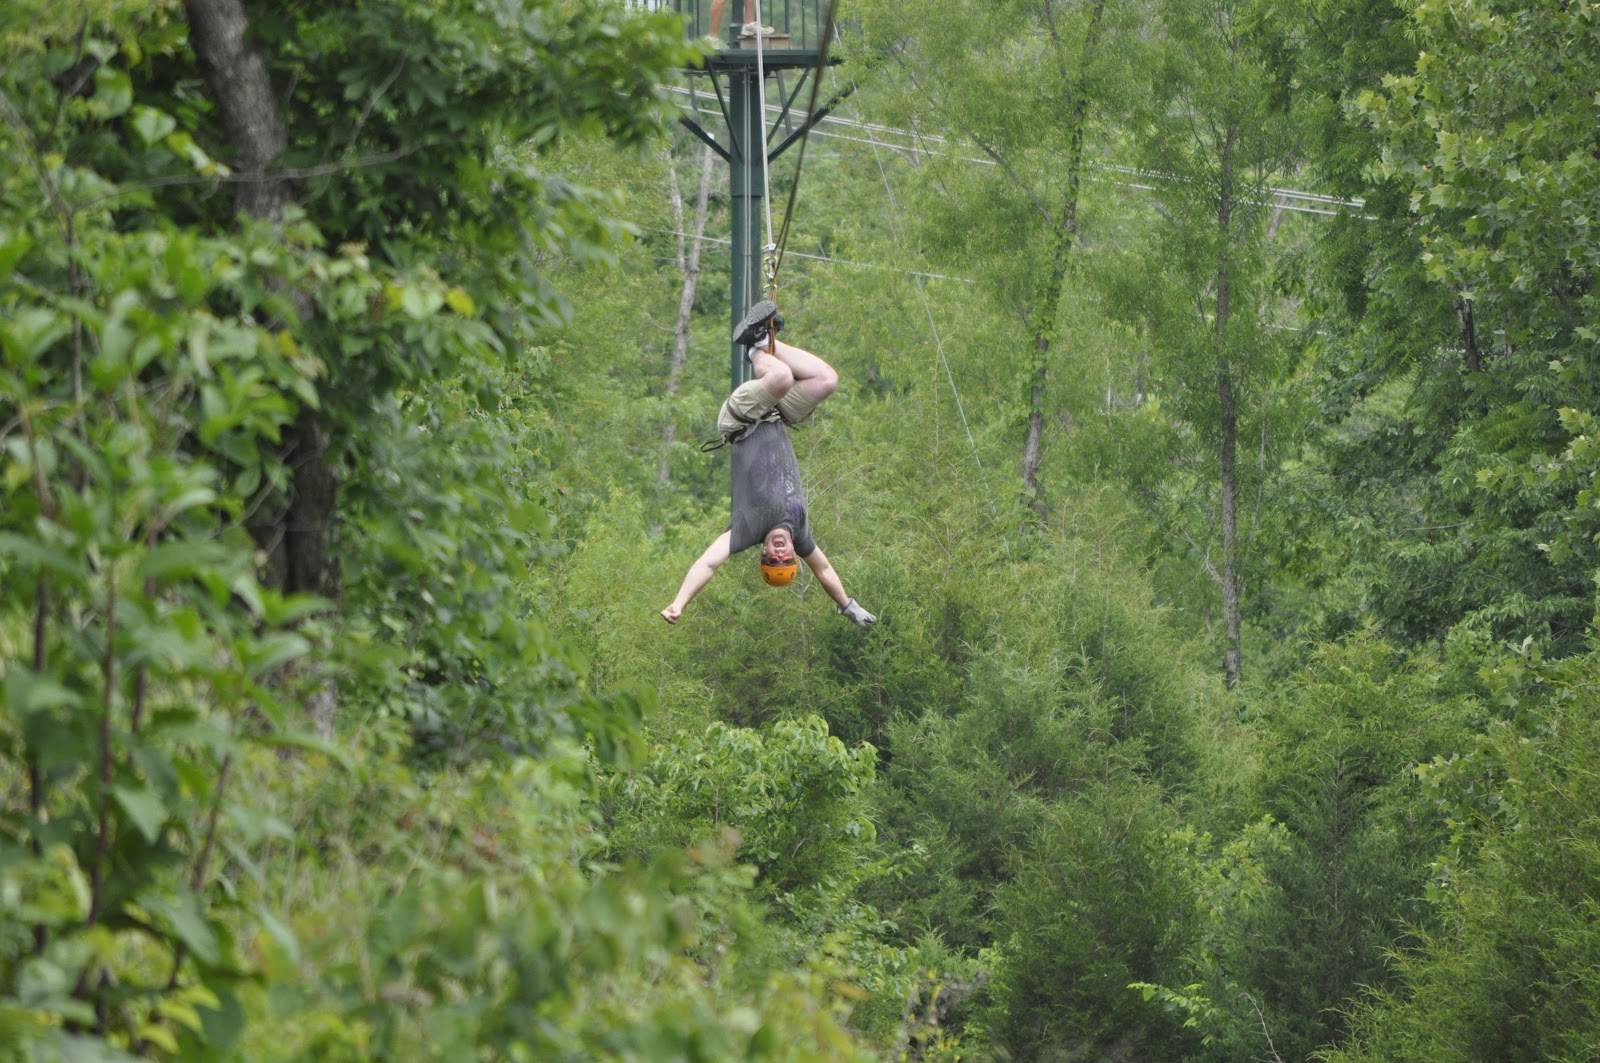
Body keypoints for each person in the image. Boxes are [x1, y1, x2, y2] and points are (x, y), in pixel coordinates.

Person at [661, 302, 877, 628]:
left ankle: (753, 349)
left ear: (762, 552)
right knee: (826, 379)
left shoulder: (748, 529)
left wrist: (679, 603)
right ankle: (764, 342)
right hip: (776, 415)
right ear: (792, 553)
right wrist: (848, 606)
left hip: (741, 420)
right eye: (785, 560)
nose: (779, 554)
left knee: (780, 377)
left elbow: (708, 564)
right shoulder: (800, 533)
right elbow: (823, 570)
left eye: (772, 560)